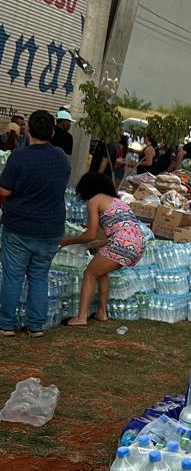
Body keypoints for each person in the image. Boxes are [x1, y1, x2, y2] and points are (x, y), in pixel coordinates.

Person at [0, 108, 70, 337]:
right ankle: (36, 326)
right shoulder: (61, 157)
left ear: (28, 129)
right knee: (39, 276)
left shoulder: (19, 157)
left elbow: (4, 190)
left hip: (20, 227)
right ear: (52, 131)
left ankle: (6, 325)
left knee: (13, 276)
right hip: (50, 229)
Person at [59, 173, 146, 326]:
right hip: (138, 244)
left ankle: (81, 317)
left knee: (90, 273)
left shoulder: (94, 201)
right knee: (101, 272)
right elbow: (119, 230)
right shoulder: (119, 203)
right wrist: (98, 244)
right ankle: (102, 312)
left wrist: (67, 241)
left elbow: (90, 234)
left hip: (121, 243)